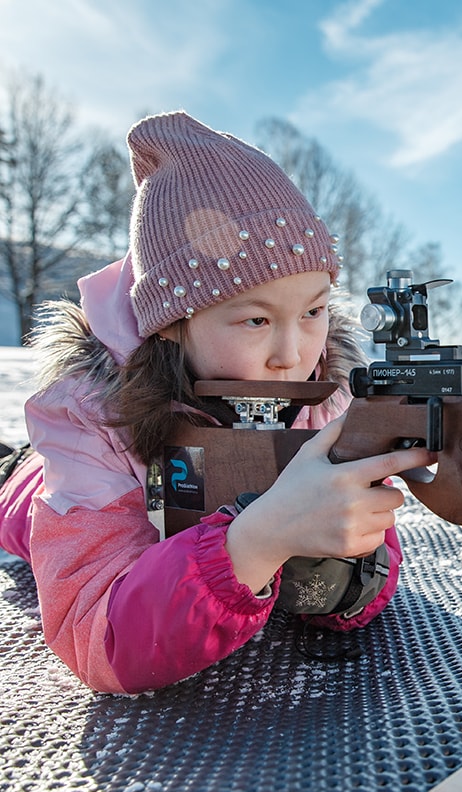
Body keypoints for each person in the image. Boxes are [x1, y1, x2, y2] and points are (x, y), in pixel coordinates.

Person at [0, 111, 433, 695]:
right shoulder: (87, 417)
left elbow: (367, 573)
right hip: (42, 487)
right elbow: (93, 633)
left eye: (313, 311)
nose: (294, 352)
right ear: (174, 327)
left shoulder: (322, 392)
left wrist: (343, 569)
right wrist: (256, 542)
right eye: (256, 319)